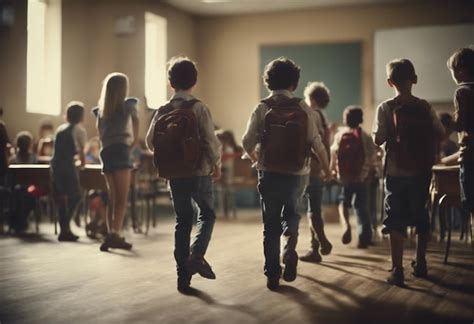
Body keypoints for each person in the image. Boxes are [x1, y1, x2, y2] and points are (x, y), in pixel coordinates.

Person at [242, 57, 331, 290]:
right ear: (294, 83)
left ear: (268, 82)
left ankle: (272, 273)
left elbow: (246, 141)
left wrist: (255, 159)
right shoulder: (303, 108)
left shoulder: (262, 107)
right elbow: (316, 143)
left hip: (269, 173)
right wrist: (328, 167)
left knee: (270, 225)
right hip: (297, 174)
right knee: (292, 215)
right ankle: (289, 250)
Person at [145, 57, 221, 293]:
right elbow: (211, 142)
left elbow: (150, 142)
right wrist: (215, 164)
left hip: (174, 175)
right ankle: (197, 255)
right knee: (207, 214)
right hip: (198, 172)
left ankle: (182, 277)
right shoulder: (199, 108)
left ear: (170, 83)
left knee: (182, 221)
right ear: (194, 81)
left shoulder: (162, 110)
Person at [372, 59, 444, 286]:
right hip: (422, 171)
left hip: (395, 172)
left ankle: (397, 269)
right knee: (421, 214)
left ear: (389, 82)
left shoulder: (385, 107)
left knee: (395, 218)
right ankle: (421, 262)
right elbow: (440, 133)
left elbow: (378, 138)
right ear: (415, 79)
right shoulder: (425, 106)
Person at [92, 72, 139, 251]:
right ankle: (115, 235)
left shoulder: (101, 110)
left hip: (107, 151)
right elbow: (135, 120)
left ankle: (111, 232)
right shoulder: (128, 105)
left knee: (112, 197)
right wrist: (133, 142)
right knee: (122, 197)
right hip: (121, 149)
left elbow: (99, 132)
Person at [331, 106, 374, 249]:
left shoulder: (339, 135)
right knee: (362, 207)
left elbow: (334, 154)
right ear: (361, 119)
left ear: (345, 120)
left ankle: (346, 225)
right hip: (360, 178)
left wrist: (333, 172)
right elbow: (370, 157)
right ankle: (364, 238)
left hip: (344, 178)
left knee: (343, 202)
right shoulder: (365, 136)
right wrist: (365, 175)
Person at [299, 81, 333, 263]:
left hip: (311, 166)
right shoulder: (324, 116)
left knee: (312, 208)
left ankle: (321, 240)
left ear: (311, 98)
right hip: (321, 165)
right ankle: (315, 250)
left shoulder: (311, 114)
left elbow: (313, 142)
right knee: (316, 206)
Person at [446, 46, 474, 235]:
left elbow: (461, 123)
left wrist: (446, 121)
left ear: (461, 71)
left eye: (452, 71)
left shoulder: (462, 92)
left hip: (470, 154)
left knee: (472, 204)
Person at [51, 102, 87, 242]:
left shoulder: (60, 129)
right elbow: (81, 152)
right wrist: (82, 165)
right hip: (68, 168)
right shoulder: (79, 130)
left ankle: (64, 229)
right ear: (81, 116)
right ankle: (65, 224)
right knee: (77, 195)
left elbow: (58, 152)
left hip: (56, 167)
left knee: (61, 197)